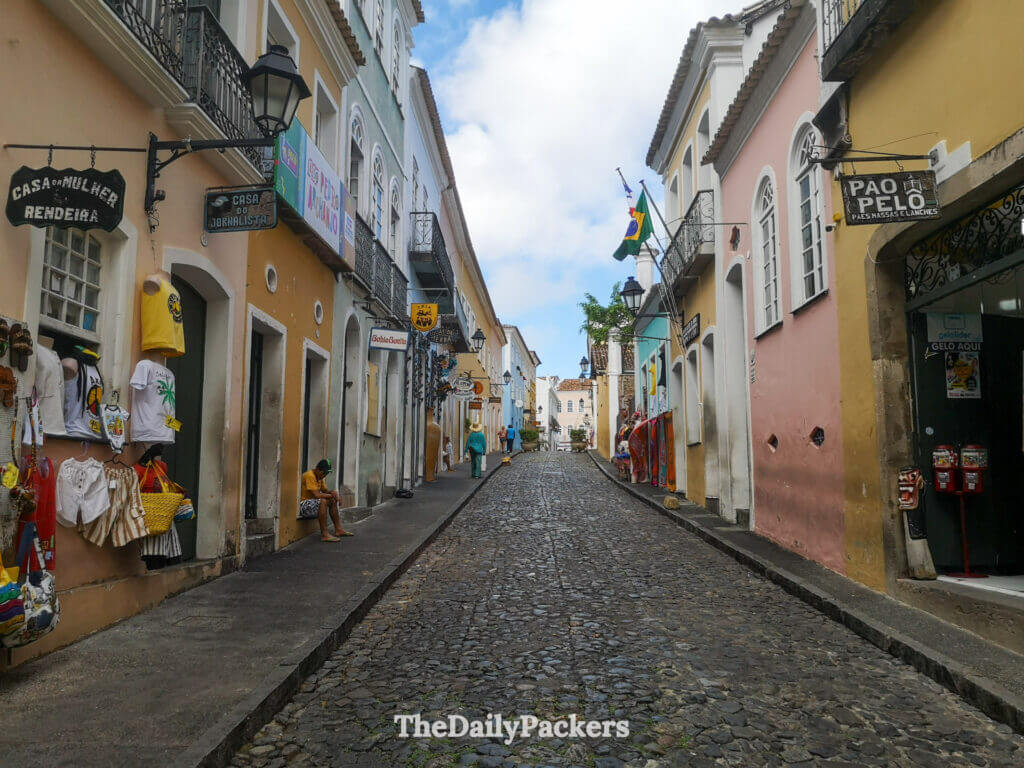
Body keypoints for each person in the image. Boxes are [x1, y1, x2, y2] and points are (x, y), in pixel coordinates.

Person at [300, 459, 353, 542]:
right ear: (317, 469)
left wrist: (333, 493)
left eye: (326, 473)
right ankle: (324, 534)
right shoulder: (310, 476)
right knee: (323, 501)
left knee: (331, 500)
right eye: (323, 473)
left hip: (313, 504)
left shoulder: (319, 477)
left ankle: (338, 529)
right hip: (303, 505)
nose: (324, 475)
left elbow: (325, 491)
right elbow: (317, 495)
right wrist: (333, 496)